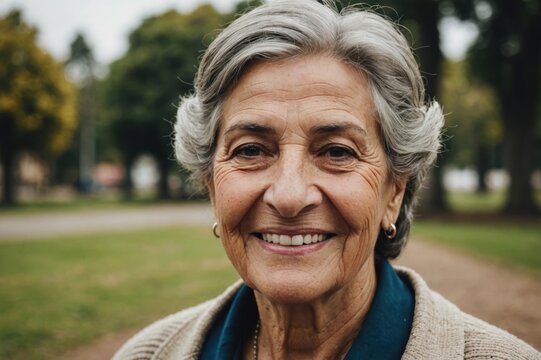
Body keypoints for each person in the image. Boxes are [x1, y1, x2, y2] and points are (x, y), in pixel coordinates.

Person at [114, 1, 539, 359]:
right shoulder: (147, 354)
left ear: (395, 190)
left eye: (337, 151)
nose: (290, 195)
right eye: (250, 150)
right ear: (210, 182)